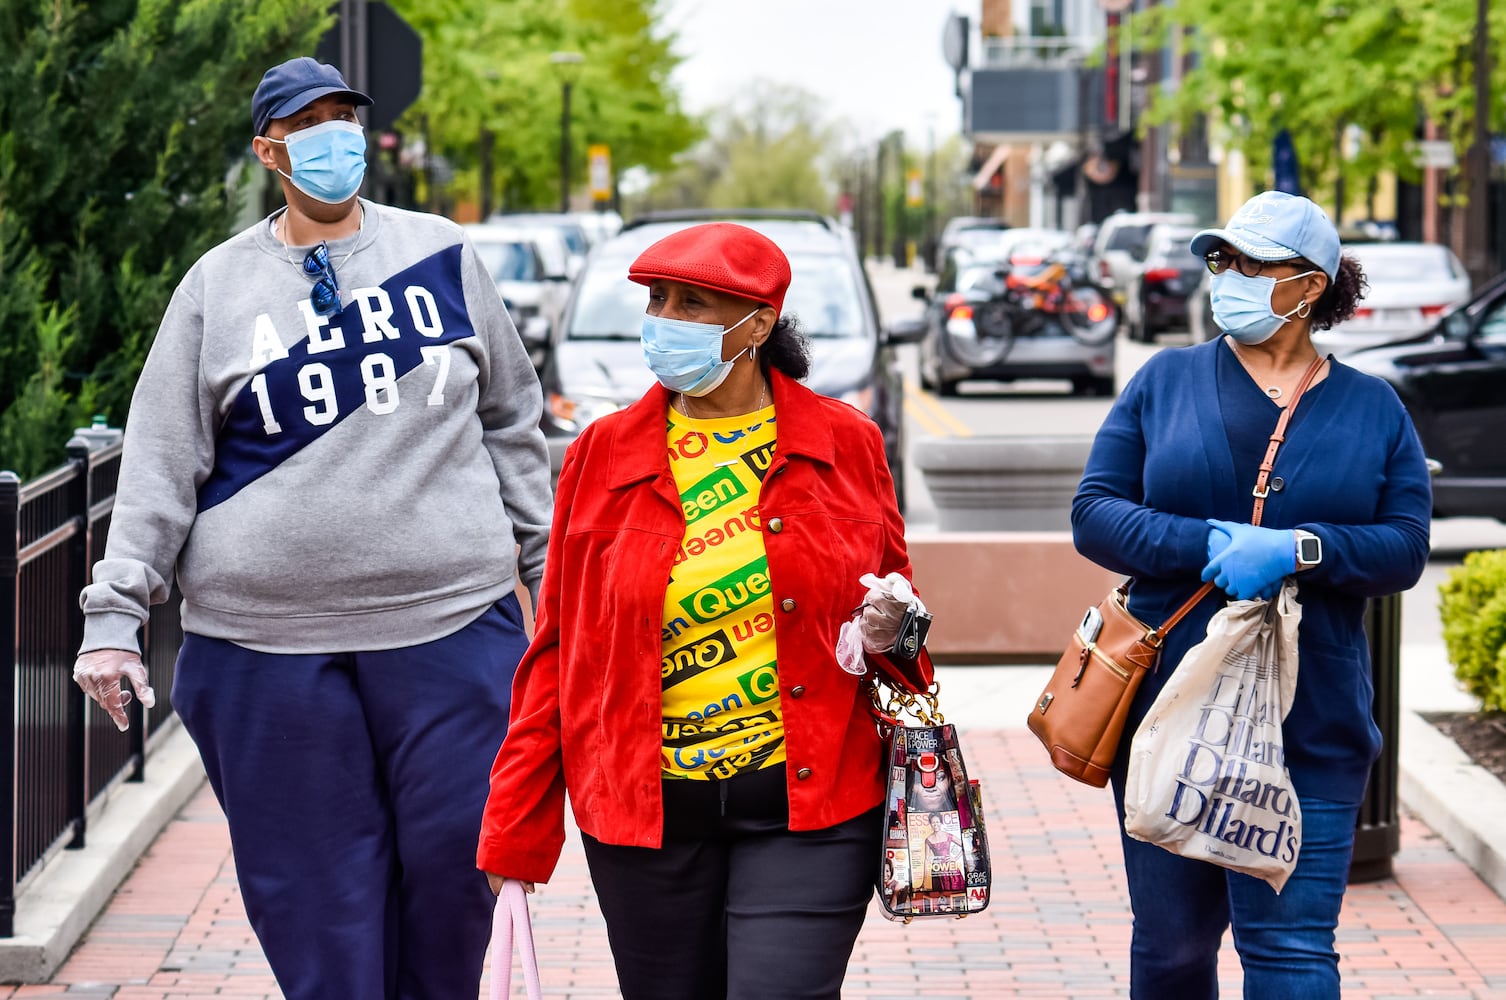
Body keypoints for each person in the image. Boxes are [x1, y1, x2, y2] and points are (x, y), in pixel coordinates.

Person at [69, 57, 552, 1000]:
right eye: (308, 123)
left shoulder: (443, 255)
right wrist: (112, 619)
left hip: (453, 632)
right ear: (269, 151)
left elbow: (512, 423)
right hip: (263, 653)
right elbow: (162, 463)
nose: (335, 137)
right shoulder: (216, 286)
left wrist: (556, 590)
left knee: (461, 877)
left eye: (345, 118)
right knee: (318, 907)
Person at [476, 222, 934, 1000]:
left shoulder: (845, 444)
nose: (665, 318)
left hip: (812, 808)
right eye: (659, 300)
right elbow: (559, 652)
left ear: (757, 323)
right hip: (643, 819)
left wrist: (896, 632)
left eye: (693, 302)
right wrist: (515, 828)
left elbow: (907, 642)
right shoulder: (603, 453)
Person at [1072, 190, 1432, 998]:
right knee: (1169, 950)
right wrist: (1205, 543)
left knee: (1293, 953)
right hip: (1170, 712)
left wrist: (1300, 550)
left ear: (1309, 288)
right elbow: (1095, 513)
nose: (1225, 276)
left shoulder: (1373, 408)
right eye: (1220, 259)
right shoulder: (1165, 380)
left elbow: (1405, 547)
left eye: (1250, 264)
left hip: (1313, 723)